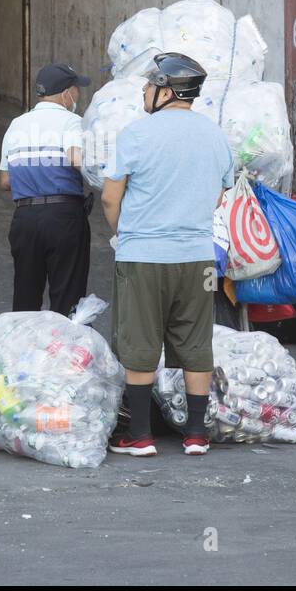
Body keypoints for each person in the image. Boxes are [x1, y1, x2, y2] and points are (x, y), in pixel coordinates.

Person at [102, 53, 233, 458]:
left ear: (166, 90)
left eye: (148, 84)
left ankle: (139, 435)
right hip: (197, 258)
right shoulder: (216, 136)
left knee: (140, 343)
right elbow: (218, 196)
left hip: (143, 256)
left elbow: (110, 197)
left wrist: (124, 234)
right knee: (196, 343)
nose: (143, 91)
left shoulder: (135, 135)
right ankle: (196, 434)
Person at [0, 63, 93, 316]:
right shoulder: (73, 122)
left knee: (26, 298)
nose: (78, 96)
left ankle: (22, 352)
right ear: (66, 93)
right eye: (76, 90)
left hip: (25, 220)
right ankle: (63, 352)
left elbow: (5, 181)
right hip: (64, 217)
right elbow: (76, 160)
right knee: (67, 299)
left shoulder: (16, 125)